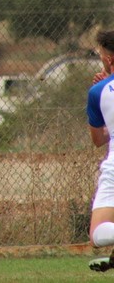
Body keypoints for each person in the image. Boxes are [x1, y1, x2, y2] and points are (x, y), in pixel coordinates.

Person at [86, 30, 114, 272]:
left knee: (98, 233)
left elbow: (98, 139)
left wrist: (106, 81)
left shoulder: (98, 91)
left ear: (109, 60)